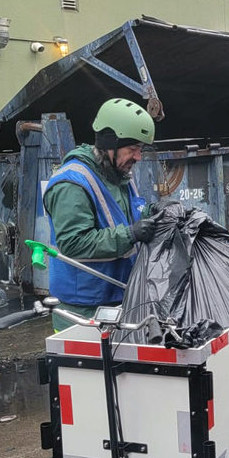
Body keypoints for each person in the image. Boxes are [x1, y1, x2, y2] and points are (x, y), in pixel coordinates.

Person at [43, 98, 158, 331]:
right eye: (132, 149)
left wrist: (153, 212)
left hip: (117, 296)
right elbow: (73, 243)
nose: (138, 157)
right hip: (82, 311)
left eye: (141, 149)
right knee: (87, 368)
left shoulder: (117, 175)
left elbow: (124, 217)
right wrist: (130, 234)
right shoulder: (71, 185)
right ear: (110, 144)